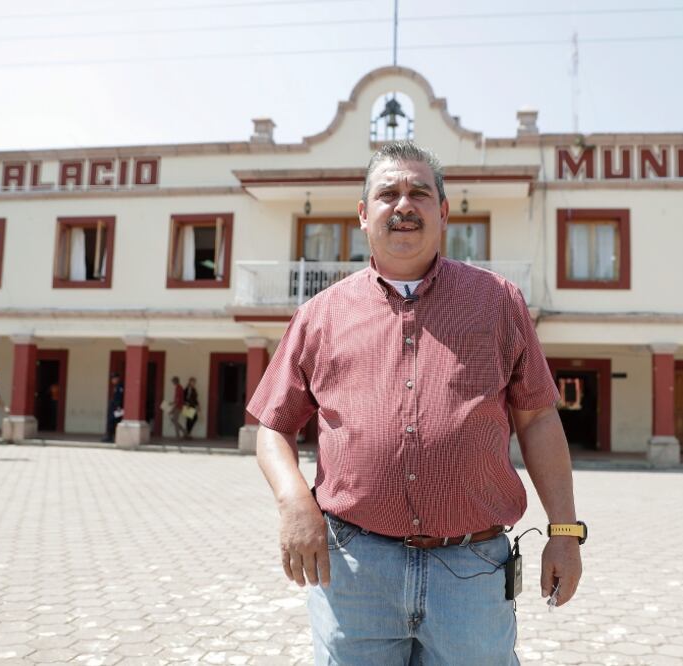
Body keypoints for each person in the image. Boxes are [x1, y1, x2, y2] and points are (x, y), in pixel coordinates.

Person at [248, 141, 585, 665]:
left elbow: (538, 417)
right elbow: (272, 426)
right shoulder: (320, 314)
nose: (403, 204)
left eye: (419, 193)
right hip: (355, 568)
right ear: (364, 215)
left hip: (471, 569)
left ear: (444, 212)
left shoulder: (498, 302)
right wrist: (295, 502)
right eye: (388, 194)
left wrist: (564, 531)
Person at [102, 373, 124, 443]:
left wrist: (118, 407)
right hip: (114, 407)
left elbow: (119, 398)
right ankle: (110, 436)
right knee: (111, 421)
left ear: (117, 378)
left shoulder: (120, 386)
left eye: (113, 379)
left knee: (113, 421)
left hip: (117, 408)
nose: (112, 380)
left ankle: (111, 437)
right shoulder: (117, 386)